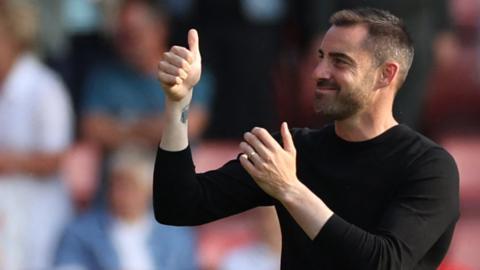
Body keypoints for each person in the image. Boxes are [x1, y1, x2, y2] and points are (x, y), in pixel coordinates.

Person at [154, 8, 459, 269]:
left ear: (386, 75)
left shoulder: (429, 166)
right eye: (321, 57)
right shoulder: (293, 150)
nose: (318, 71)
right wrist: (178, 102)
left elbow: (383, 263)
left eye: (340, 61)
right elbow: (178, 205)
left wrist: (289, 189)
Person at [0, 1, 74, 269]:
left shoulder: (45, 88)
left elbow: (55, 159)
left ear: (13, 40)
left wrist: (9, 162)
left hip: (37, 212)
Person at [55, 145, 198, 270]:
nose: (122, 194)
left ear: (148, 190)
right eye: (116, 185)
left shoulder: (175, 234)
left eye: (131, 187)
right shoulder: (80, 232)